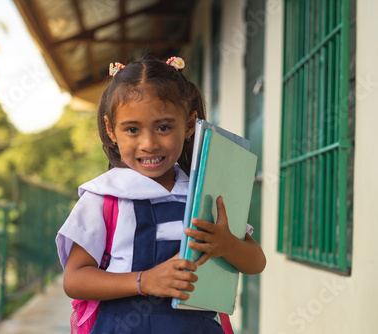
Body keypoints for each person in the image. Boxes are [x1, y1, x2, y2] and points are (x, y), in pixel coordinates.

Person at [56, 57, 266, 334]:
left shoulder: (206, 192)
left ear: (190, 125)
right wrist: (143, 281)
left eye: (164, 127)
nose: (149, 143)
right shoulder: (104, 198)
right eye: (132, 129)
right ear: (111, 130)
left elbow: (256, 262)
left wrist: (228, 245)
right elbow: (75, 280)